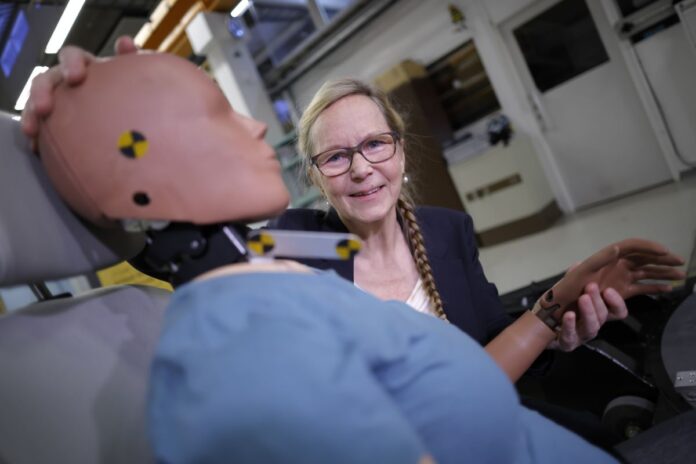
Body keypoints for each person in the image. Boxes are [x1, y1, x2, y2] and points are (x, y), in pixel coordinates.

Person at [32, 50, 632, 464]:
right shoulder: (300, 244)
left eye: (375, 144)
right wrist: (85, 136)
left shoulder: (446, 231)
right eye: (338, 157)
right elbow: (176, 248)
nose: (362, 168)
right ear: (317, 177)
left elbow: (489, 345)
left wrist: (556, 321)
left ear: (400, 150)